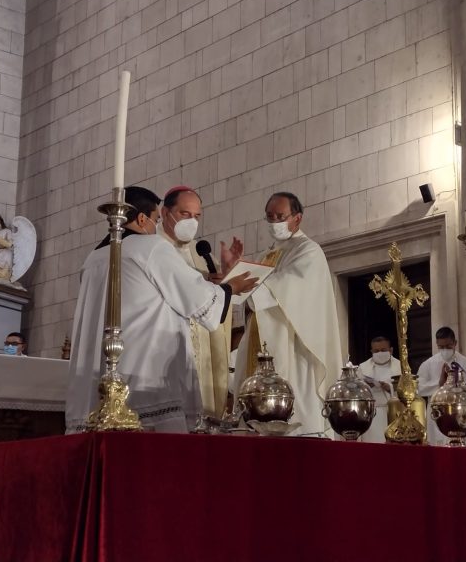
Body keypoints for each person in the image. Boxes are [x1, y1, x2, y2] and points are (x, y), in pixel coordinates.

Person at [65, 186, 256, 434]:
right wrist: (232, 286)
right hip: (144, 378)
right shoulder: (151, 247)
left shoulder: (93, 259)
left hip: (99, 381)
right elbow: (201, 302)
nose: (155, 226)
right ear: (142, 218)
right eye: (155, 219)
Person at [233, 192, 342, 436]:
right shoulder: (268, 254)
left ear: (297, 218)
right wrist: (235, 275)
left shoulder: (309, 250)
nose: (274, 223)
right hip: (262, 341)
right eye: (269, 217)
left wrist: (244, 282)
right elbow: (252, 298)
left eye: (280, 216)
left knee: (297, 408)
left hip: (295, 344)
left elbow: (289, 287)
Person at [158, 185, 236, 420]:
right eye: (185, 214)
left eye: (197, 216)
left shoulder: (203, 255)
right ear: (164, 213)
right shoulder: (153, 249)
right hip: (168, 353)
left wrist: (226, 279)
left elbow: (218, 311)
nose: (192, 221)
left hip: (201, 358)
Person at [417, 327, 466, 445]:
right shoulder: (428, 364)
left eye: (448, 346)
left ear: (455, 343)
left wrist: (458, 384)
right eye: (441, 347)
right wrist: (439, 384)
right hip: (438, 411)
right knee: (438, 444)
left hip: (461, 411)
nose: (445, 350)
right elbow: (419, 388)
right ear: (437, 344)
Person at [357, 336, 401, 443]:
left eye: (383, 350)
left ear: (391, 350)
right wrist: (367, 387)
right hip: (372, 414)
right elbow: (356, 391)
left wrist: (391, 388)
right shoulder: (363, 367)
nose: (379, 353)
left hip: (394, 413)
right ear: (371, 351)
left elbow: (409, 389)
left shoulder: (400, 366)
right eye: (376, 351)